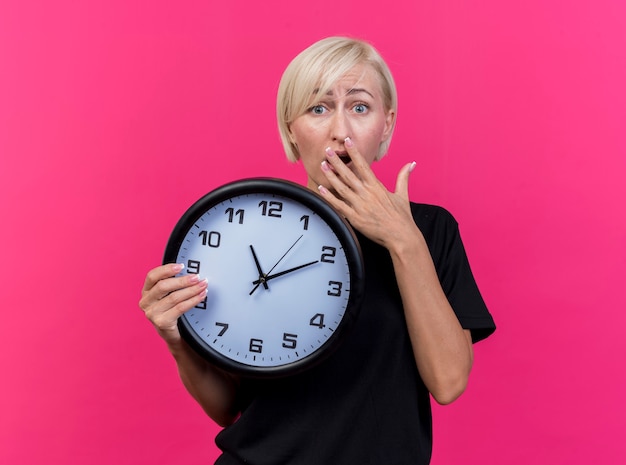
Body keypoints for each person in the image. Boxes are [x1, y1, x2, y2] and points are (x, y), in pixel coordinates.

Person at [139, 36, 496, 464]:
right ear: (291, 127)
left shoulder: (431, 231)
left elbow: (449, 382)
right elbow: (228, 409)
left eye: (360, 107)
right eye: (319, 108)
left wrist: (404, 242)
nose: (340, 131)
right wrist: (177, 339)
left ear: (387, 123)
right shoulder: (241, 228)